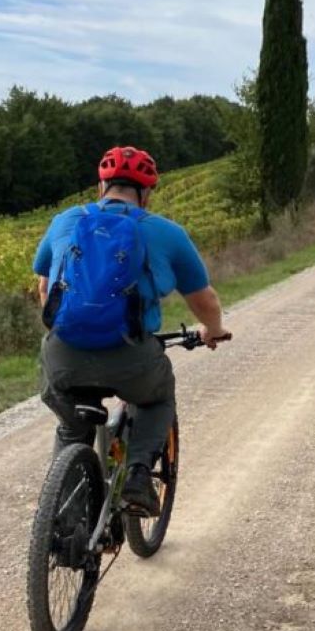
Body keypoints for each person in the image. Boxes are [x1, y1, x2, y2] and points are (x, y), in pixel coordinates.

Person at [34, 146, 230, 516]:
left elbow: (44, 289)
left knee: (72, 428)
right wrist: (213, 330)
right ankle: (139, 475)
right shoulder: (166, 233)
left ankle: (64, 519)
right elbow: (204, 299)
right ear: (147, 193)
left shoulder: (64, 221)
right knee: (157, 396)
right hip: (129, 356)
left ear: (101, 186)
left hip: (63, 354)